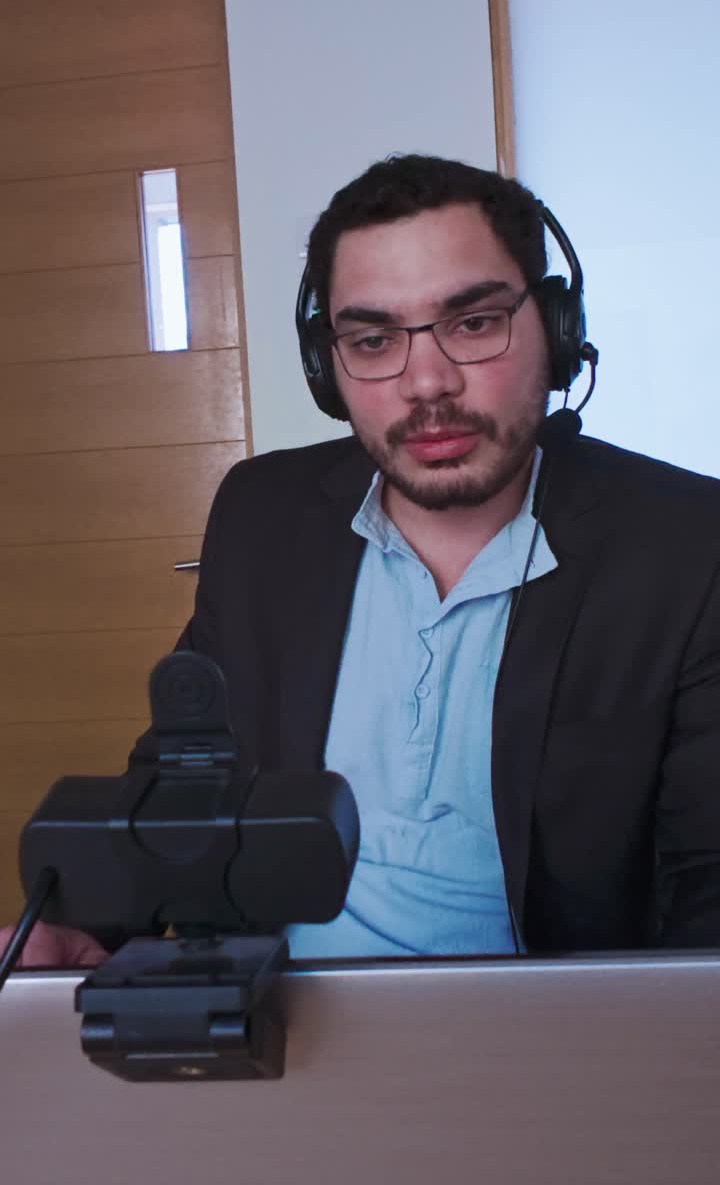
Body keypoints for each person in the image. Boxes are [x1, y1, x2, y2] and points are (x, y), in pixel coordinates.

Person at [4, 153, 720, 967]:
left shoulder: (687, 545)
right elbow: (183, 774)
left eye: (474, 323)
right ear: (327, 368)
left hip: (554, 1045)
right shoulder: (262, 516)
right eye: (374, 339)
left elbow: (707, 886)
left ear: (558, 332)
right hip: (279, 1025)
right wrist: (86, 929)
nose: (427, 383)